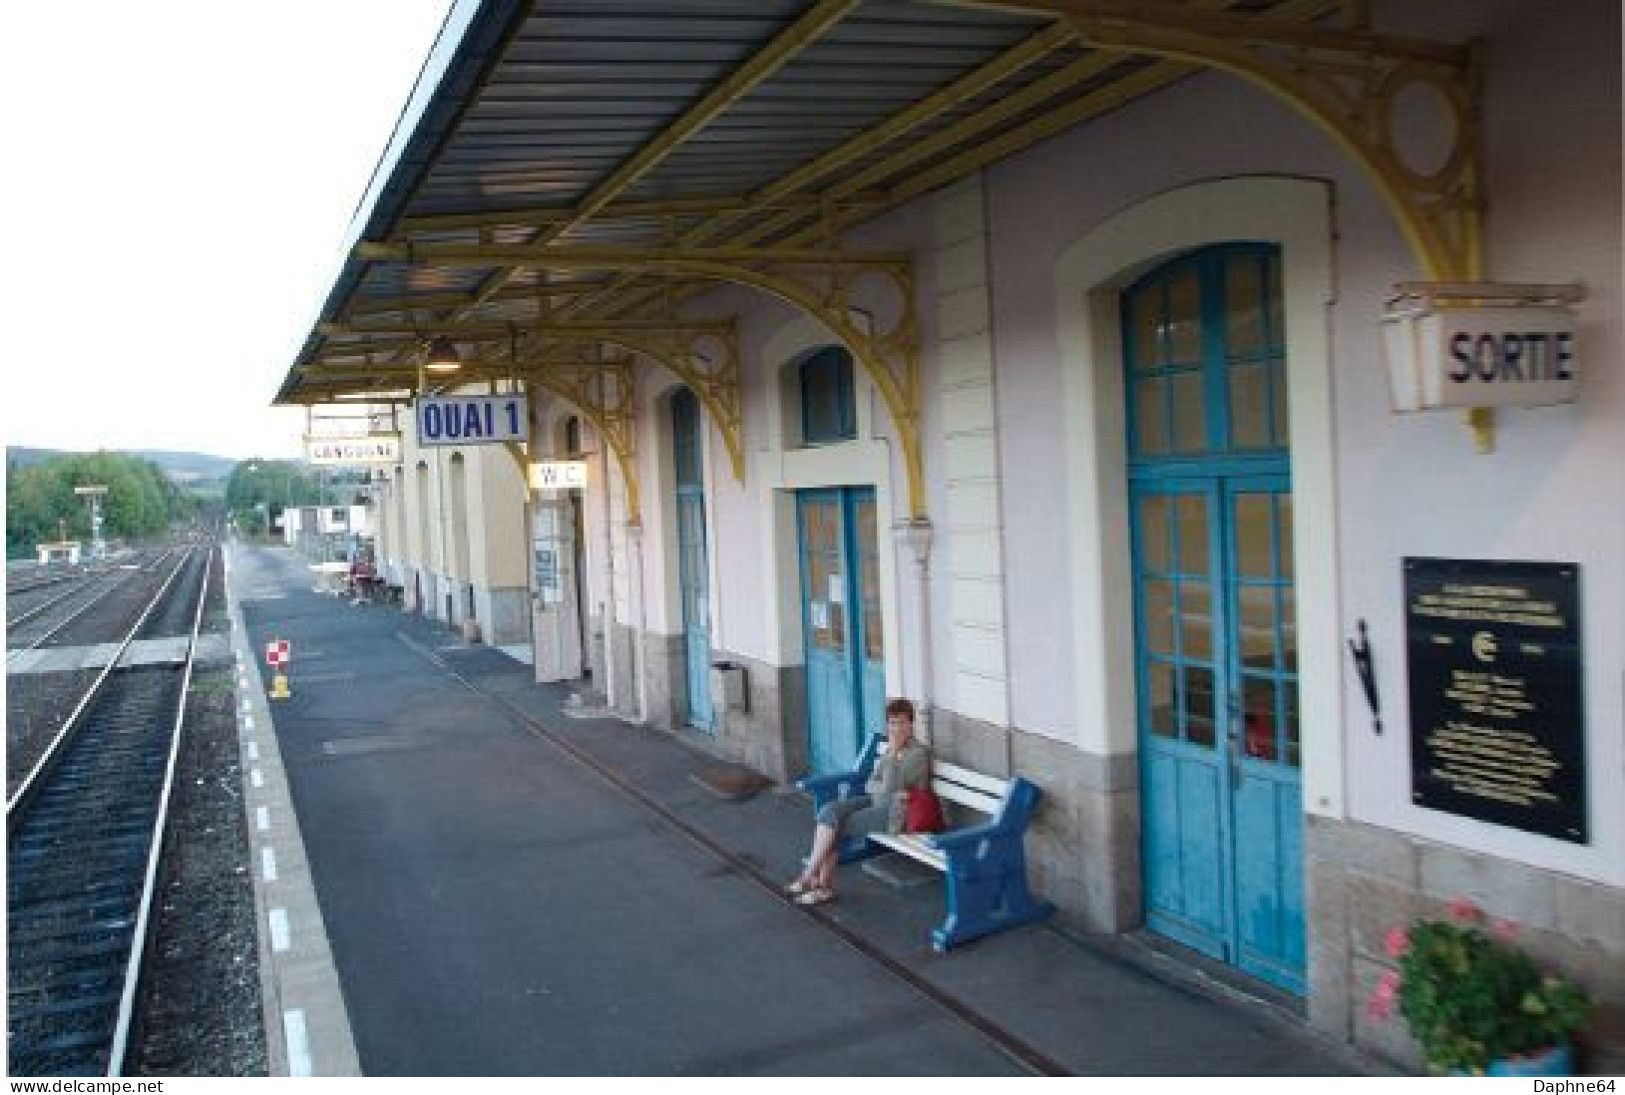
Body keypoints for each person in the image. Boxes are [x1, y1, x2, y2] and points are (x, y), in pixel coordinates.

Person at [784, 697, 929, 907]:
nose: (896, 728)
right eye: (892, 723)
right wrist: (887, 772)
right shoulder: (890, 750)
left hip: (898, 813)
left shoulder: (918, 754)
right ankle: (812, 876)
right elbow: (872, 782)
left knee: (838, 827)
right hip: (877, 801)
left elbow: (888, 787)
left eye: (902, 722)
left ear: (911, 724)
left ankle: (820, 884)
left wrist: (894, 754)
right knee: (829, 811)